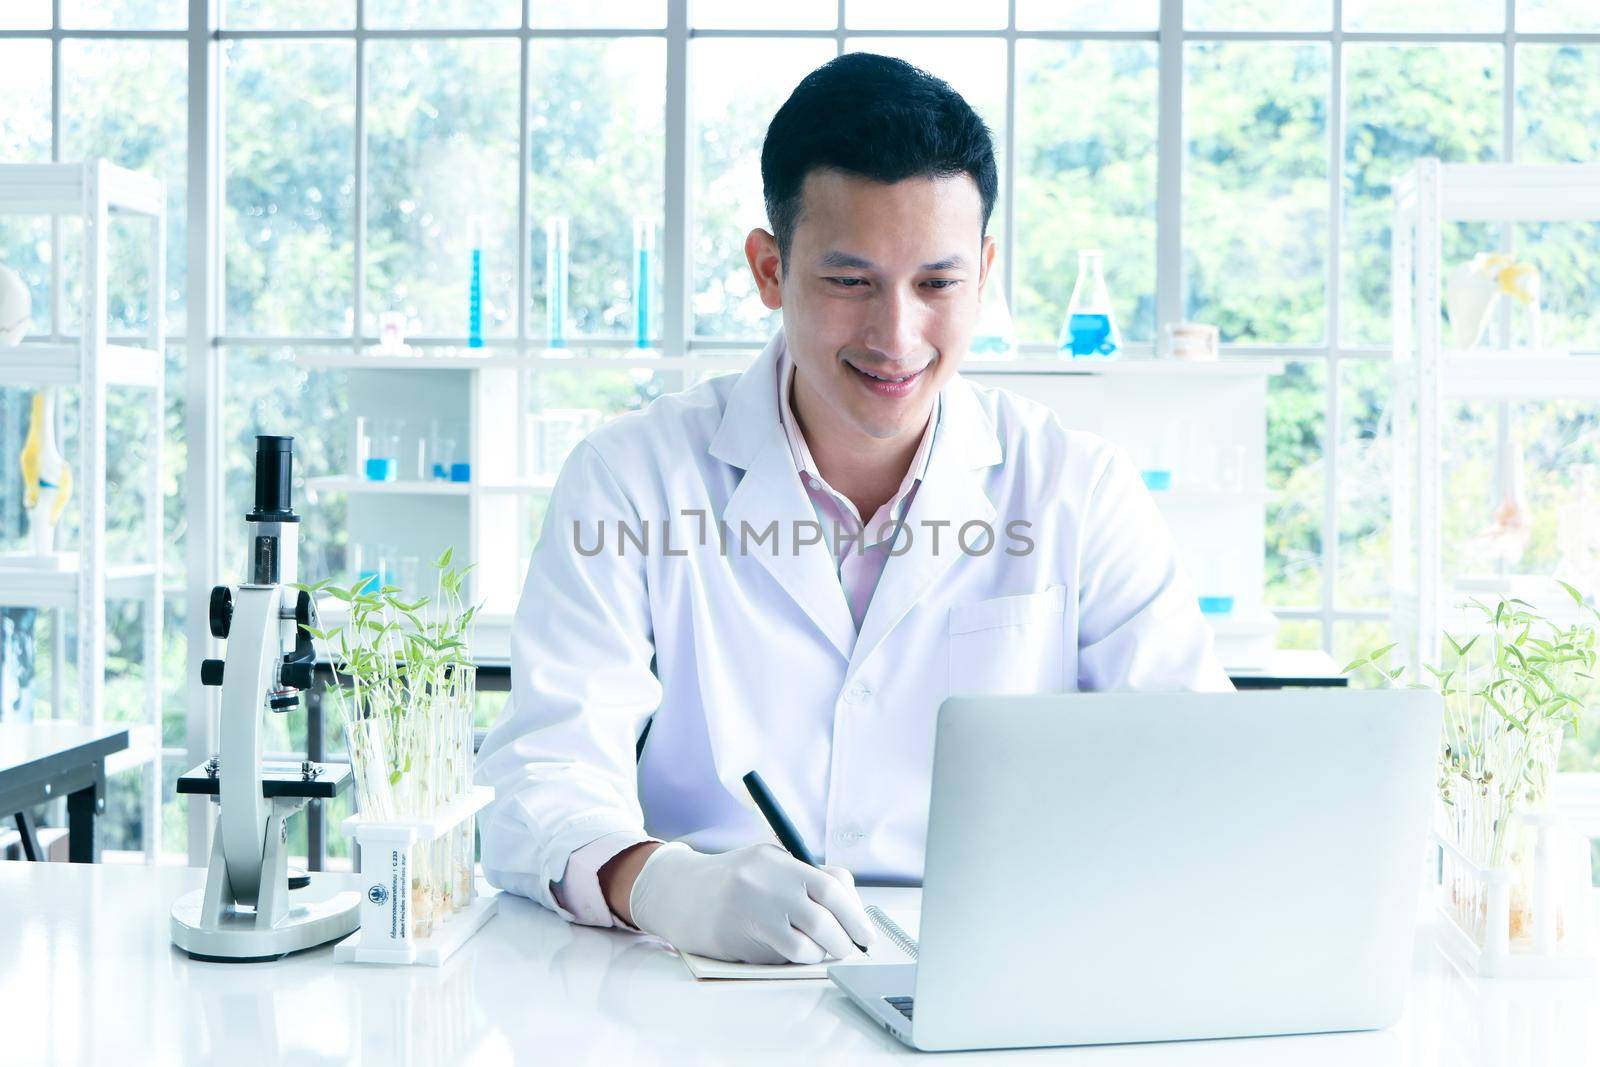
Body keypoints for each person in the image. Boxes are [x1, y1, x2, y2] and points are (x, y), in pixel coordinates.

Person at [477, 52, 1230, 966]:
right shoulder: (631, 478)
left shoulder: (1075, 487)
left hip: (993, 976)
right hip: (697, 981)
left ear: (984, 271)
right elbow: (535, 781)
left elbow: (1199, 769)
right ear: (768, 268)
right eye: (850, 281)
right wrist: (664, 882)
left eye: (937, 283)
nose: (896, 335)